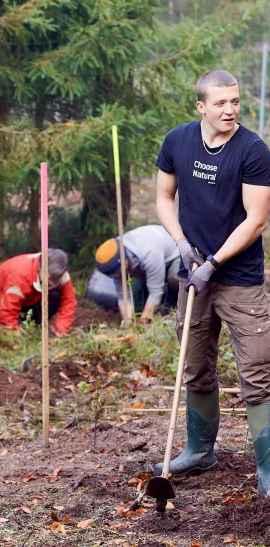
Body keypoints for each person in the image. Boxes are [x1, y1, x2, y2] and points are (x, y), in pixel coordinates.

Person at [154, 70, 270, 496]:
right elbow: (165, 197)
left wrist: (215, 261)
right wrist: (183, 246)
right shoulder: (178, 141)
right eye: (221, 102)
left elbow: (256, 220)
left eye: (235, 101)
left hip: (237, 279)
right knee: (195, 365)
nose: (231, 109)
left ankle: (268, 469)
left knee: (258, 370)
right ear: (201, 106)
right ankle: (199, 451)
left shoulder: (253, 150)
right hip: (193, 275)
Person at [0, 249, 77, 336]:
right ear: (40, 268)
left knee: (55, 296)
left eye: (56, 280)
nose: (52, 283)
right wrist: (13, 334)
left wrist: (60, 330)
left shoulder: (61, 274)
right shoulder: (20, 276)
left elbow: (69, 303)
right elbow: (8, 309)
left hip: (31, 296)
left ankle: (33, 324)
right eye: (50, 279)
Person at [94, 225, 180, 323]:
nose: (115, 276)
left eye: (116, 272)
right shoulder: (115, 256)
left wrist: (143, 320)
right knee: (137, 306)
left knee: (175, 278)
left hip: (176, 256)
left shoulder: (149, 252)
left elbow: (156, 292)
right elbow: (124, 297)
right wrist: (128, 323)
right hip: (148, 265)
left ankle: (173, 307)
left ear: (123, 262)